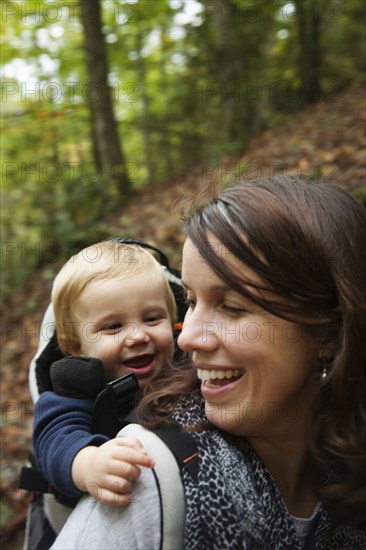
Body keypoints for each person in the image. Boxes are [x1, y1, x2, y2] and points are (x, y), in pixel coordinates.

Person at [51, 176, 366, 549]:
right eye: (191, 299)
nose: (186, 338)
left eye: (232, 307)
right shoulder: (150, 483)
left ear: (328, 332)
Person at [33, 240, 177, 506]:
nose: (138, 336)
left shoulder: (189, 365)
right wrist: (87, 463)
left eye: (152, 318)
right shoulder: (72, 395)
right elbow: (54, 443)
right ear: (76, 347)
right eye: (113, 326)